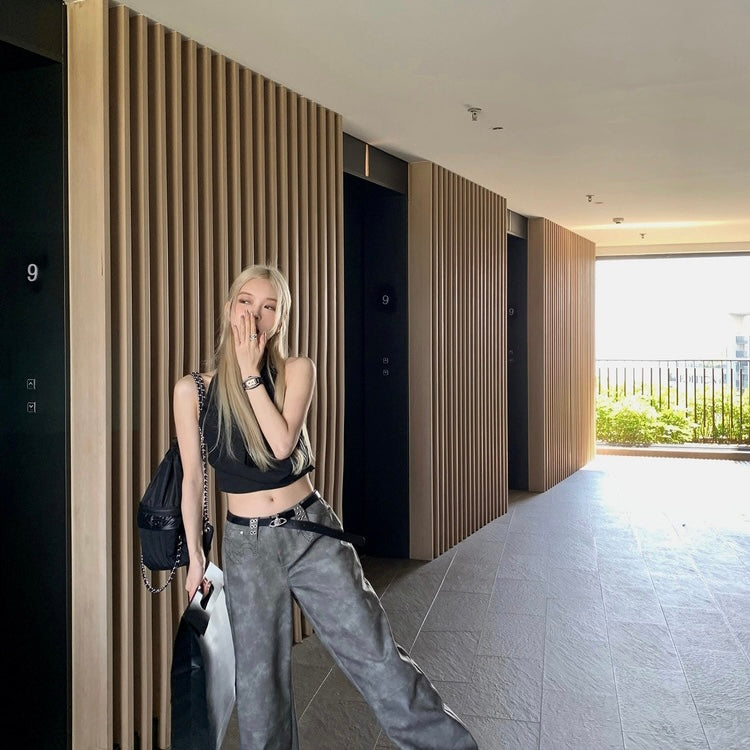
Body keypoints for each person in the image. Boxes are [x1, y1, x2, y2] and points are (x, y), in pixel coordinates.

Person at [174, 264, 478, 750]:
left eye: (269, 307)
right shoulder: (193, 390)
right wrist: (195, 557)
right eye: (246, 302)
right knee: (259, 693)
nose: (255, 315)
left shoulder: (297, 371)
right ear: (229, 309)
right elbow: (192, 480)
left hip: (309, 533)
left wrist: (251, 375)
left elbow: (280, 445)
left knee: (378, 658)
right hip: (247, 549)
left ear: (280, 319)